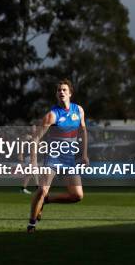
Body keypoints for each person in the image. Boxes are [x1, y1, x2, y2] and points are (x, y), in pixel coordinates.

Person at [27, 79, 89, 232]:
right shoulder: (52, 115)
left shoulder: (79, 110)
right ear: (56, 94)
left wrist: (84, 154)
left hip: (69, 159)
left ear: (70, 93)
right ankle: (31, 224)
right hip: (53, 158)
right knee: (42, 190)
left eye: (64, 90)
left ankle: (47, 201)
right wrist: (33, 163)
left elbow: (83, 131)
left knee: (77, 196)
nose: (61, 92)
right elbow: (35, 139)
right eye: (59, 90)